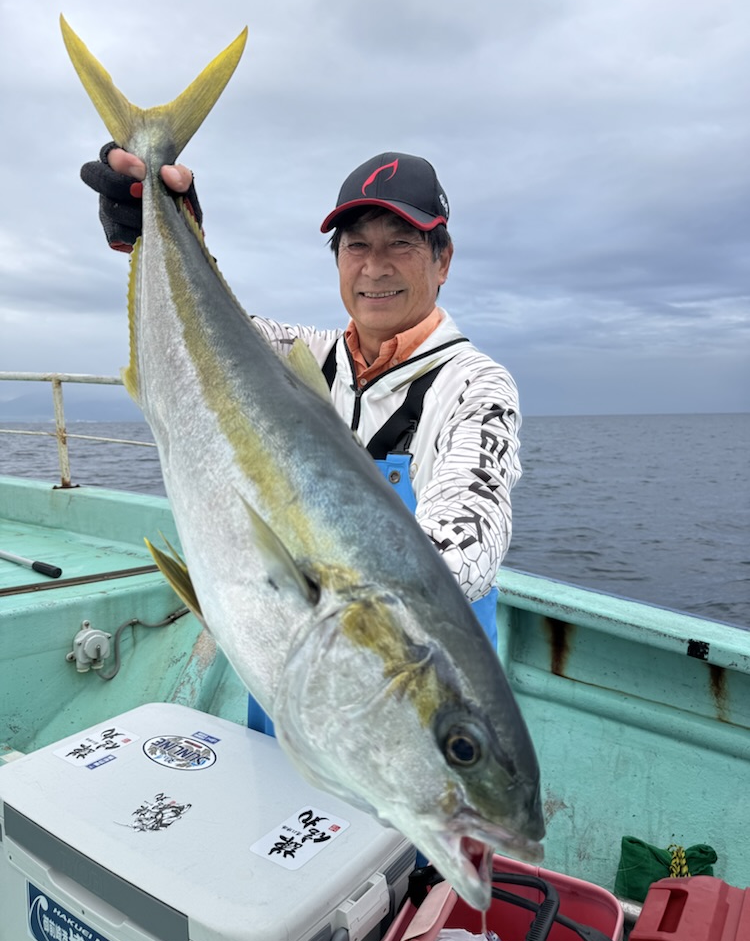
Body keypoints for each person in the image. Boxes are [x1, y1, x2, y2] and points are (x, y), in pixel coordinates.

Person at [81, 146, 523, 733]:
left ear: (443, 260)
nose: (375, 267)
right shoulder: (299, 354)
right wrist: (165, 227)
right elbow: (200, 335)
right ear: (338, 259)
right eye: (356, 245)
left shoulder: (476, 387)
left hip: (418, 714)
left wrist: (341, 601)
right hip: (283, 678)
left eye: (402, 243)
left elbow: (471, 537)